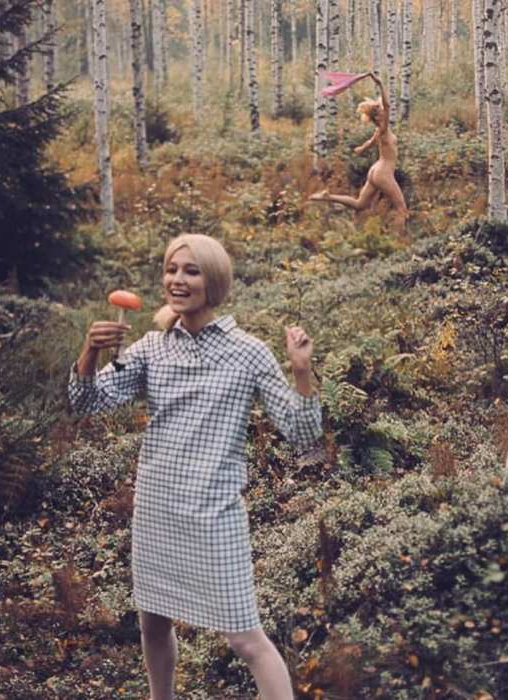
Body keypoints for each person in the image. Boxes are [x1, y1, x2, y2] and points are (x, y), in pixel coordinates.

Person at [68, 233, 322, 700]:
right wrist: (90, 352)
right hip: (157, 511)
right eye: (171, 270)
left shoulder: (248, 352)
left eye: (191, 271)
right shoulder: (151, 348)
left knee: (246, 639)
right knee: (153, 623)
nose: (177, 280)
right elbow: (88, 402)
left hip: (214, 514)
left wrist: (302, 373)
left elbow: (302, 432)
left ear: (215, 281)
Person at [308, 71, 409, 233]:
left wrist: (361, 148)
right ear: (379, 116)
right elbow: (388, 105)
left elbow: (370, 142)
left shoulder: (379, 131)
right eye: (381, 110)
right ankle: (400, 240)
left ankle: (328, 197)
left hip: (375, 170)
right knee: (401, 208)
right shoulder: (383, 128)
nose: (384, 111)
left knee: (360, 204)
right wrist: (379, 84)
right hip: (383, 172)